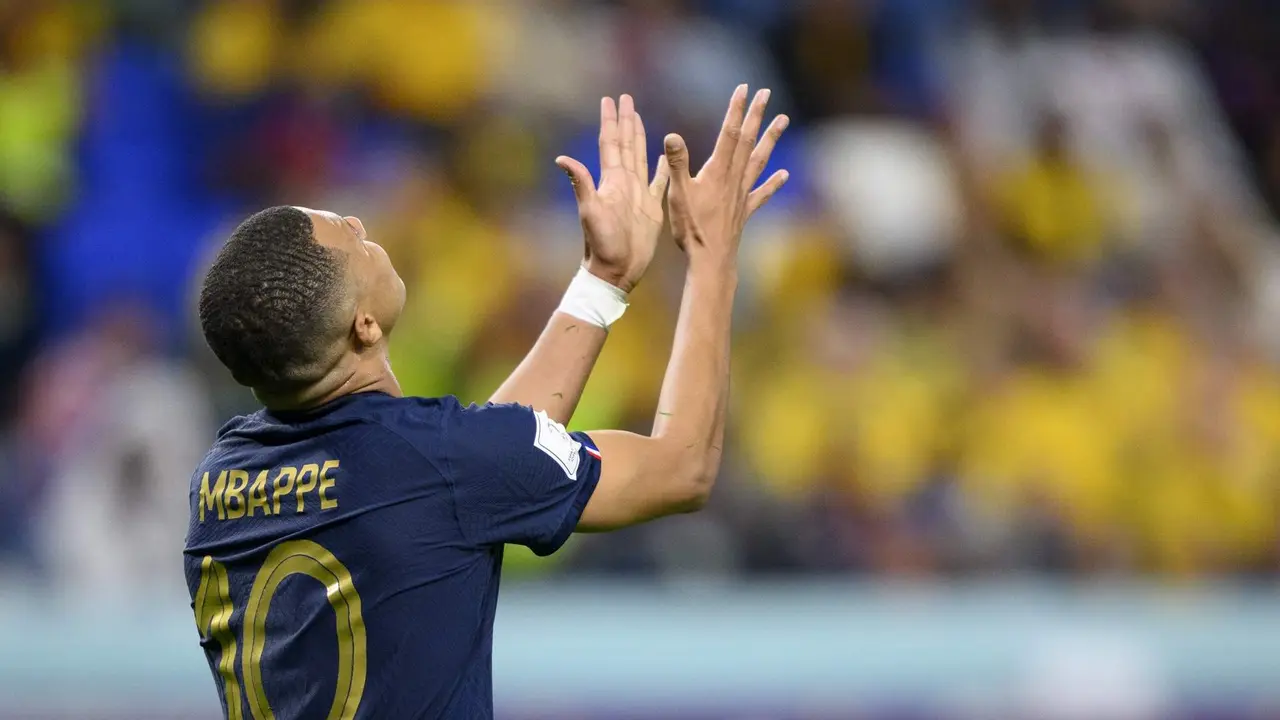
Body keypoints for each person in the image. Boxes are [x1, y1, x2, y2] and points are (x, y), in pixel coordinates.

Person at [184, 86, 788, 719]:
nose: (362, 224)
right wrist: (712, 257)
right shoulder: (438, 464)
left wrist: (603, 283)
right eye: (350, 238)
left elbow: (482, 458)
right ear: (363, 326)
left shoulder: (217, 482)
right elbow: (681, 466)